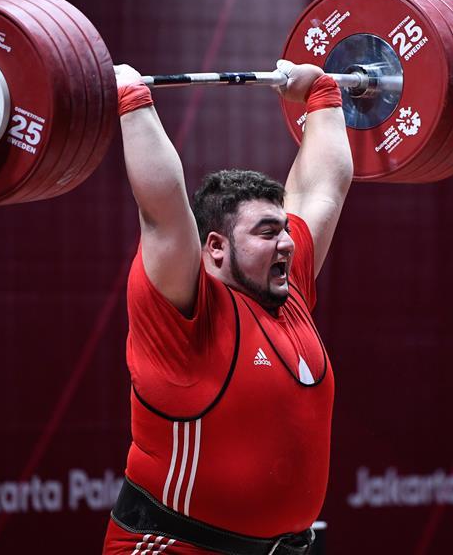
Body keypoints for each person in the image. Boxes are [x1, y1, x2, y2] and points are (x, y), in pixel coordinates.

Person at [102, 60, 352, 555]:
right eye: (267, 232)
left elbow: (322, 186)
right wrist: (132, 102)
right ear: (215, 248)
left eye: (285, 228)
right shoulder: (184, 311)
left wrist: (323, 95)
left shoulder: (287, 289)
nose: (287, 243)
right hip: (172, 547)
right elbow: (162, 210)